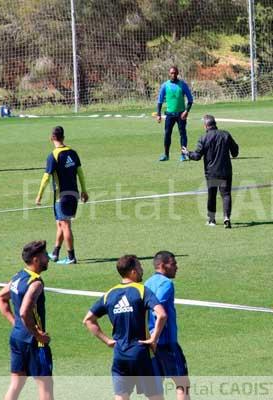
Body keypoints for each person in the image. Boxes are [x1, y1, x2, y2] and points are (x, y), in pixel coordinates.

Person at [83, 255, 167, 400]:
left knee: (121, 396)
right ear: (133, 271)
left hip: (120, 355)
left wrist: (107, 340)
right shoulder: (142, 291)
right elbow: (162, 315)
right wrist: (153, 338)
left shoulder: (109, 294)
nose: (142, 270)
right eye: (140, 267)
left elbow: (88, 320)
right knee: (155, 396)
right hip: (142, 354)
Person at [0, 240, 53, 400]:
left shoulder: (18, 276)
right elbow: (24, 311)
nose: (48, 258)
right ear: (36, 259)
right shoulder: (36, 283)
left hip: (17, 336)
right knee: (45, 386)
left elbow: (0, 298)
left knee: (16, 384)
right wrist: (38, 334)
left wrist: (16, 324)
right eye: (45, 255)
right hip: (35, 342)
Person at [35, 126, 88, 264]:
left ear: (51, 138)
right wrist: (84, 190)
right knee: (60, 223)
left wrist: (39, 195)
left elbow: (46, 178)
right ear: (63, 137)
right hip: (74, 194)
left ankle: (71, 257)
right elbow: (80, 173)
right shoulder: (73, 153)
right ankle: (55, 253)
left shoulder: (53, 156)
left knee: (65, 225)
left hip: (62, 197)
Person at [145, 251, 191, 400]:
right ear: (162, 265)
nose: (176, 267)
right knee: (182, 384)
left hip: (151, 344)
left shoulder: (147, 283)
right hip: (166, 342)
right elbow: (158, 309)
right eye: (173, 264)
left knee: (156, 387)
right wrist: (156, 335)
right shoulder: (166, 283)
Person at [181, 114, 239, 228]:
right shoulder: (225, 134)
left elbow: (197, 156)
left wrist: (187, 153)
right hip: (225, 171)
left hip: (212, 172)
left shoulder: (203, 138)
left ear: (205, 126)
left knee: (212, 195)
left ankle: (212, 219)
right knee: (226, 194)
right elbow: (235, 152)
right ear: (215, 124)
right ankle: (226, 217)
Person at [156, 66, 194, 162]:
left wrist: (186, 111)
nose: (173, 75)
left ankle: (183, 155)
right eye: (172, 73)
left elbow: (190, 100)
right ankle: (166, 155)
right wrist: (158, 114)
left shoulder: (183, 85)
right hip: (169, 115)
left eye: (175, 73)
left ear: (177, 73)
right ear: (169, 74)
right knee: (167, 134)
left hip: (181, 114)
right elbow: (160, 101)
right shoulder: (165, 85)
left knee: (183, 134)